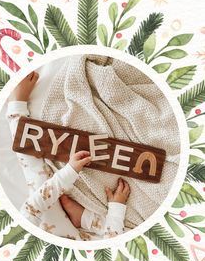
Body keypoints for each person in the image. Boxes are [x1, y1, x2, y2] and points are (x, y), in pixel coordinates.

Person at [7, 71, 130, 240]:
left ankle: (16, 109)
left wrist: (70, 171)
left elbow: (32, 208)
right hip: (83, 238)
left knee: (37, 177)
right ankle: (85, 219)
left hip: (50, 222)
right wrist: (116, 210)